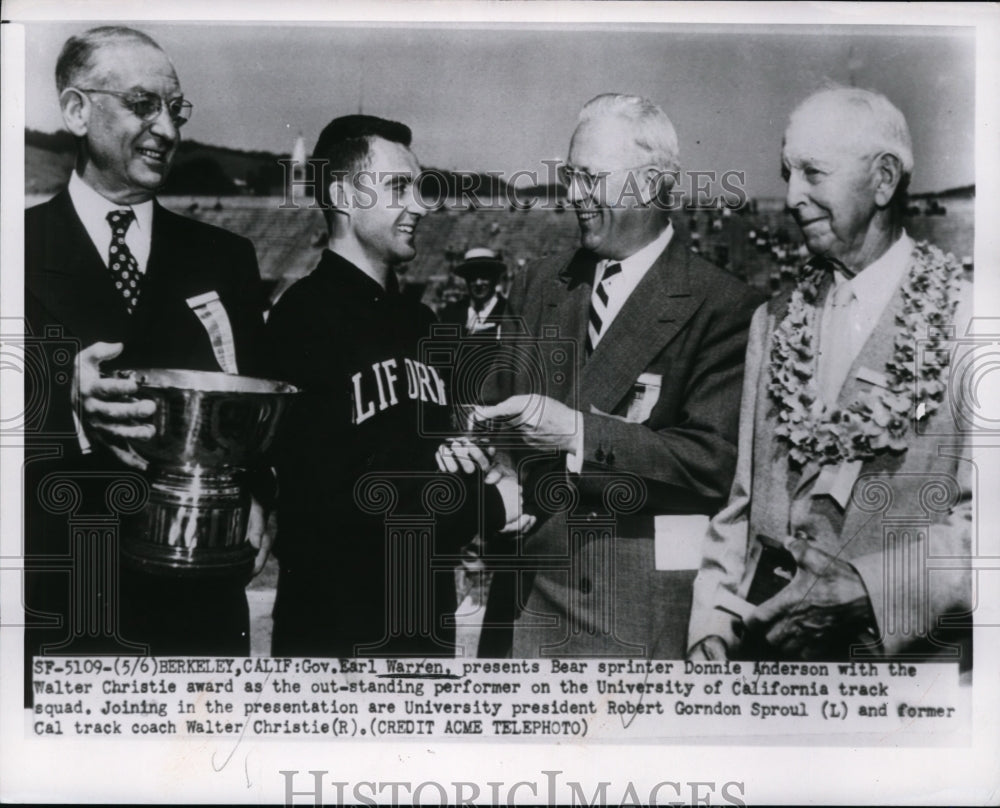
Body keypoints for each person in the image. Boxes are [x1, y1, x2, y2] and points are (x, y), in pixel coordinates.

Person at [687, 87, 972, 664]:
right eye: (787, 173)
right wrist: (711, 625)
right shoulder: (774, 321)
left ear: (884, 179)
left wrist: (869, 591)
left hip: (901, 685)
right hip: (765, 669)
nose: (792, 197)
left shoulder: (971, 319)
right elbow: (741, 505)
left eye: (813, 173)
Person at [474, 94, 763, 658]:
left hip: (636, 617)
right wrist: (499, 470)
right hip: (527, 605)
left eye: (590, 179)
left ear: (652, 186)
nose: (574, 196)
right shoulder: (540, 284)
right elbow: (493, 410)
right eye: (569, 177)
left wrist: (579, 436)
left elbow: (712, 461)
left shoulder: (723, 305)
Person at [24, 26, 269, 685]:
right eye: (142, 105)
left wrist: (260, 497)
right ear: (77, 110)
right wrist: (64, 408)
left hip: (200, 612)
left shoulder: (226, 261)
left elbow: (261, 411)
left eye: (176, 109)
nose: (166, 128)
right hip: (65, 610)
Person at [265, 115, 524, 657]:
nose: (422, 205)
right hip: (336, 634)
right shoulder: (302, 318)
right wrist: (487, 506)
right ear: (343, 194)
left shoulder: (423, 324)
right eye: (400, 187)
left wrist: (474, 462)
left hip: (423, 626)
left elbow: (435, 458)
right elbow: (332, 507)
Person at [438, 247, 508, 336]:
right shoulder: (451, 313)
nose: (478, 283)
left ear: (495, 278)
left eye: (484, 276)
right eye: (472, 277)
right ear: (466, 280)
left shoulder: (508, 312)